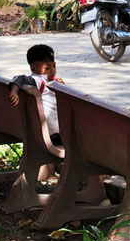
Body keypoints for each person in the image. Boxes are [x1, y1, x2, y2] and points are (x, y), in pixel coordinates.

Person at [7, 44, 107, 204]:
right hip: (56, 137)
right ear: (34, 67)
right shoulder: (38, 80)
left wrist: (60, 87)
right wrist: (14, 91)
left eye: (54, 66)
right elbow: (20, 78)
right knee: (91, 139)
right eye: (47, 67)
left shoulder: (47, 82)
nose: (52, 70)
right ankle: (95, 186)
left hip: (44, 135)